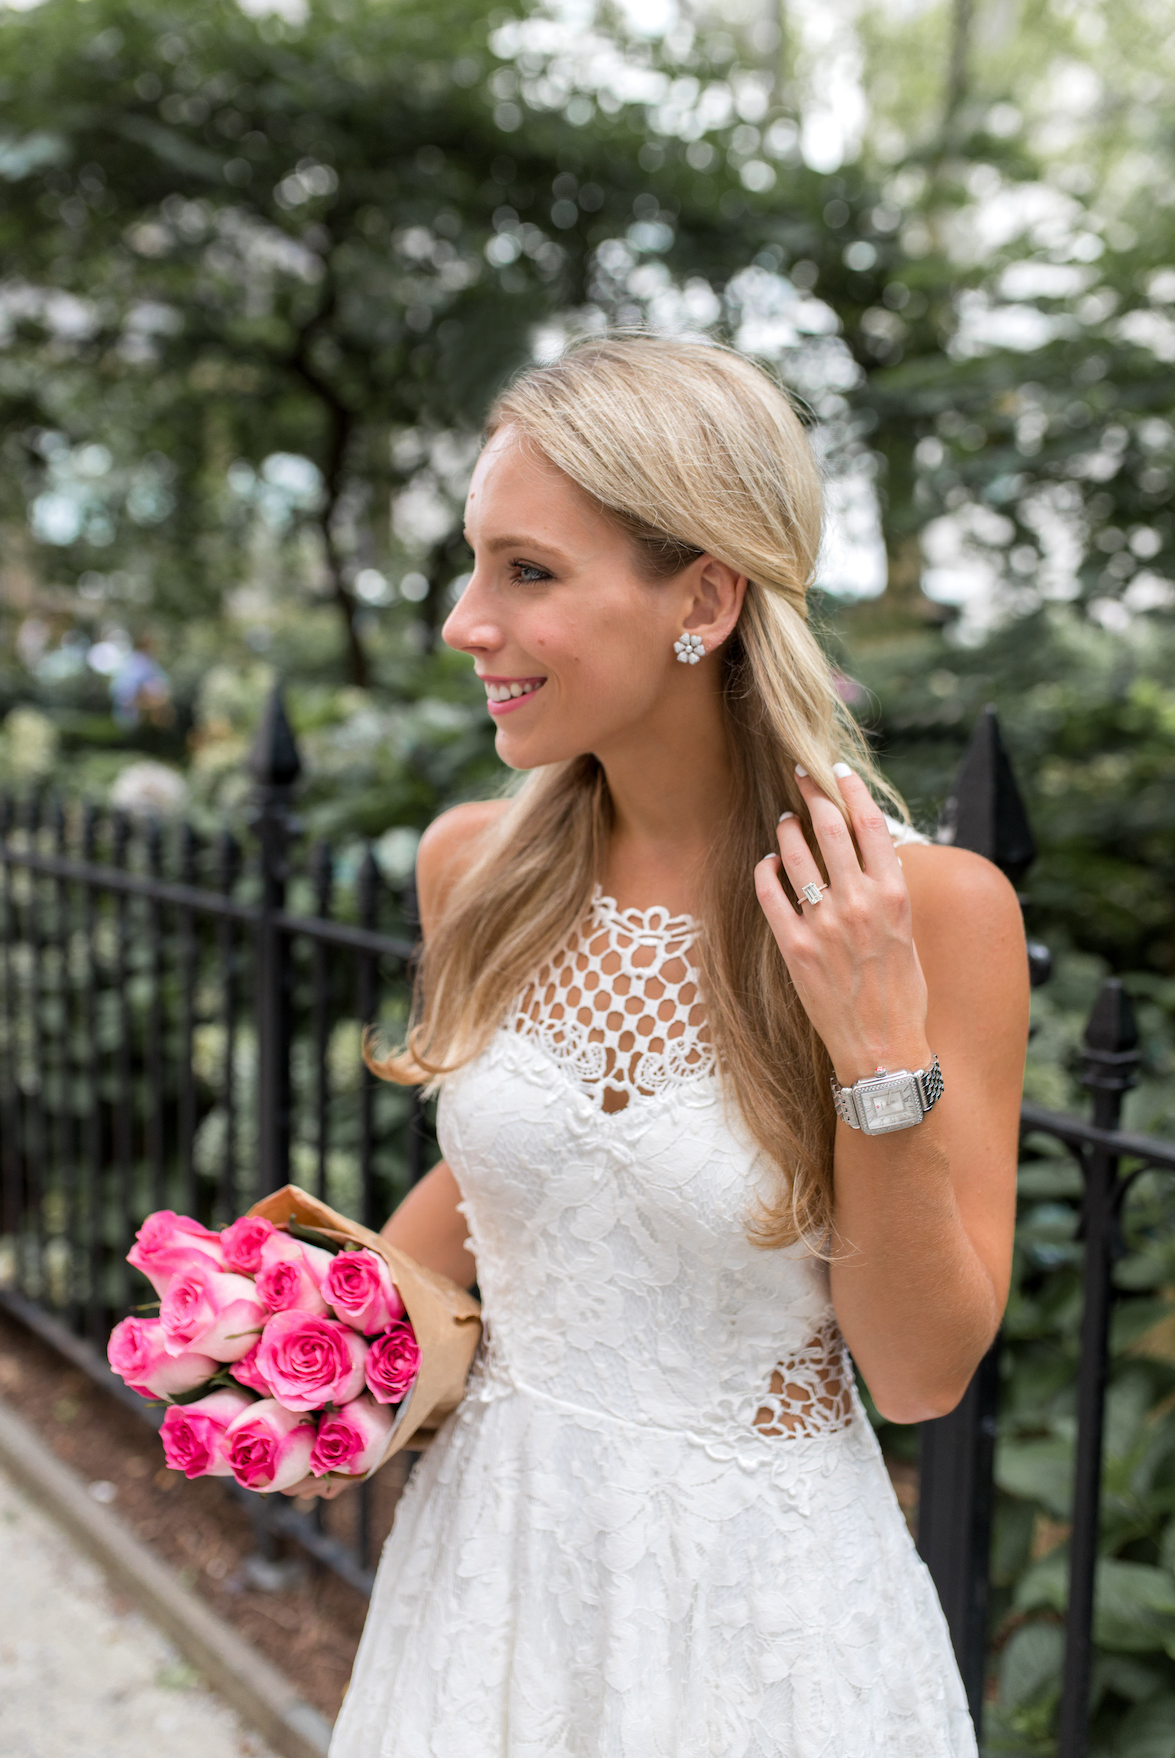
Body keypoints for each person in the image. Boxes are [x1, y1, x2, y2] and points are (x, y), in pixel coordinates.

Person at [305, 336, 1028, 1757]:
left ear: (703, 597)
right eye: (475, 562)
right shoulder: (475, 868)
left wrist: (874, 1042)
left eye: (527, 572)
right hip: (486, 1582)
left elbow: (924, 1371)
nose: (464, 621)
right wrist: (316, 1343)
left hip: (755, 1623)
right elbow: (542, 1178)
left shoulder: (931, 914)